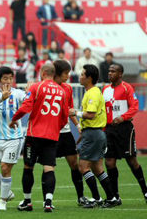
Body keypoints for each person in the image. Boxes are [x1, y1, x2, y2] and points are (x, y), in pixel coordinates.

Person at [10, 63, 69, 213]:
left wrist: (14, 119)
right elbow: (64, 117)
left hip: (34, 134)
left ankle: (27, 201)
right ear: (53, 73)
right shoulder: (62, 91)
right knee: (49, 167)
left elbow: (25, 108)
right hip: (52, 136)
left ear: (42, 73)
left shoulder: (36, 87)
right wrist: (56, 128)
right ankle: (48, 202)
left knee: (28, 167)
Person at [69, 64, 119, 208]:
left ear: (89, 78)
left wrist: (74, 112)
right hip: (95, 133)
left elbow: (90, 115)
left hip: (93, 133)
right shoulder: (93, 92)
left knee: (83, 167)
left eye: (82, 74)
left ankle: (97, 198)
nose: (80, 76)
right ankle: (111, 197)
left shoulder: (92, 93)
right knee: (97, 168)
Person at [102, 64, 147, 204]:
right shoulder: (104, 89)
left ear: (120, 74)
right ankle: (115, 197)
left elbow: (134, 106)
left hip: (124, 129)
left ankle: (145, 191)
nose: (110, 73)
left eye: (113, 71)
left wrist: (123, 117)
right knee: (109, 162)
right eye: (109, 71)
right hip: (109, 130)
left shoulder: (127, 88)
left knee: (132, 161)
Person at [0, 66, 26, 210]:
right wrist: (2, 97)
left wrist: (31, 92)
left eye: (10, 78)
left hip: (14, 138)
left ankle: (3, 201)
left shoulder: (18, 93)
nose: (8, 81)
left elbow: (28, 101)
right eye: (5, 79)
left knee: (5, 168)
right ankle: (7, 193)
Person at [51, 60, 88, 206]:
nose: (68, 76)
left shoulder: (67, 88)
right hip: (50, 133)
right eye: (66, 73)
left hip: (65, 132)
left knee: (74, 164)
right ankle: (48, 199)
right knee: (49, 166)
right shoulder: (45, 87)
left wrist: (77, 125)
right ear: (57, 73)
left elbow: (70, 109)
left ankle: (81, 197)